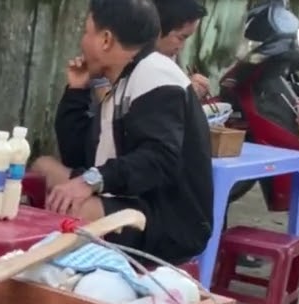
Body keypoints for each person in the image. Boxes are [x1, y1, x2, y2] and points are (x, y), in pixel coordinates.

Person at [30, 0, 214, 264]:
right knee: (43, 168)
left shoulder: (156, 77)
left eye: (87, 32)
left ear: (105, 40)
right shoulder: (122, 79)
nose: (83, 41)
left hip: (167, 222)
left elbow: (159, 159)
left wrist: (89, 181)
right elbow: (77, 153)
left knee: (74, 208)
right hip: (127, 196)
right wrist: (77, 91)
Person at [153, 0, 211, 99]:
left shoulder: (170, 60)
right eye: (181, 38)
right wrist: (183, 93)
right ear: (159, 29)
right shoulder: (133, 64)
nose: (182, 47)